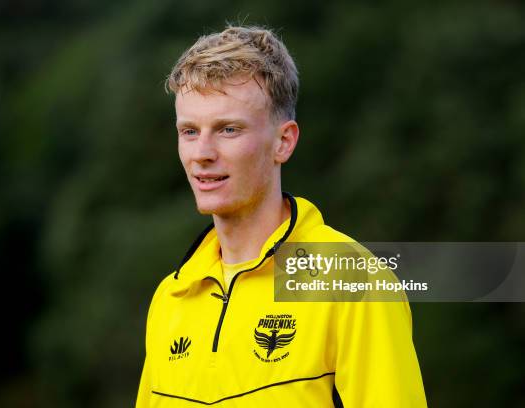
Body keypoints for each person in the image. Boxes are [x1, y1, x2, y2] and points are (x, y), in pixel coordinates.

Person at [136, 25, 427, 407]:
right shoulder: (171, 298)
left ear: (283, 142)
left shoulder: (352, 282)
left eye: (228, 129)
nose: (202, 153)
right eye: (189, 131)